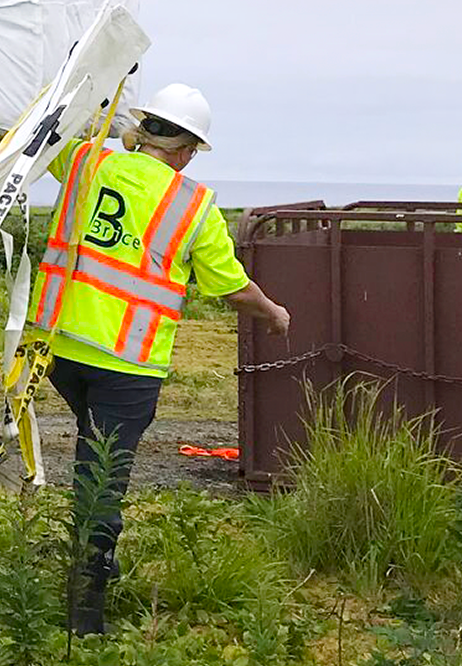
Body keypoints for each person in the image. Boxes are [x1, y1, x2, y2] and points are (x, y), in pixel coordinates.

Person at [33, 82, 291, 635]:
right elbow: (233, 287)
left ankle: (95, 556)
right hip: (127, 363)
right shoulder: (193, 205)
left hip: (61, 350)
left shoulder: (85, 164)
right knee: (102, 473)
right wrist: (273, 313)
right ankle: (87, 607)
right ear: (188, 149)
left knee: (94, 450)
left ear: (143, 129)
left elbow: (47, 137)